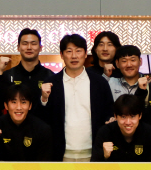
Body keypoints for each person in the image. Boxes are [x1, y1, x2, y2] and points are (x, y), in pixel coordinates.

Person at [40, 34, 114, 162]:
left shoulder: (99, 83)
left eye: (78, 51)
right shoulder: (51, 83)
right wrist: (44, 99)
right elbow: (43, 120)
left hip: (93, 152)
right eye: (69, 51)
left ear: (85, 54)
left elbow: (108, 113)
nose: (74, 56)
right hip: (61, 154)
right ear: (62, 55)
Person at [0, 86, 53, 161]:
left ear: (30, 106)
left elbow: (46, 164)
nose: (19, 107)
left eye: (23, 102)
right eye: (14, 102)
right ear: (6, 106)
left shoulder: (42, 129)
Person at [93, 95, 151, 162]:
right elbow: (92, 167)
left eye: (132, 117)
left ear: (140, 116)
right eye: (123, 117)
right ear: (115, 116)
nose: (128, 122)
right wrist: (104, 156)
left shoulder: (150, 134)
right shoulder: (104, 133)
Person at [0, 28, 55, 98]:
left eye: (33, 44)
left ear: (40, 48)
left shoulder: (50, 76)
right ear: (18, 47)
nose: (29, 47)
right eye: (25, 43)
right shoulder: (8, 76)